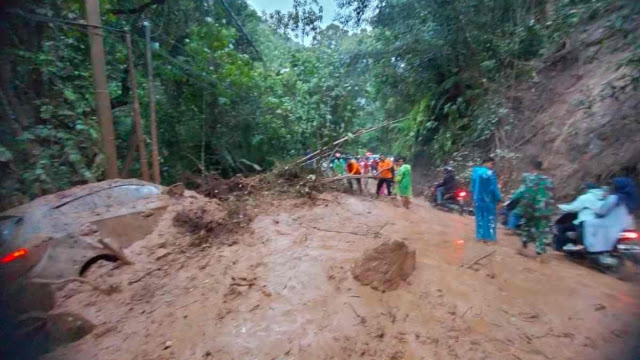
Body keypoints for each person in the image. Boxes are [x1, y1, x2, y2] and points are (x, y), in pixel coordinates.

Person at [582, 177, 638, 254]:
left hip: (611, 224)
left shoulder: (614, 198)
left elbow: (602, 212)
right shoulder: (632, 200)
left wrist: (596, 211)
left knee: (588, 223)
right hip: (627, 226)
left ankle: (590, 247)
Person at [511, 159, 554, 255]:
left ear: (532, 167)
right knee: (542, 231)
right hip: (545, 210)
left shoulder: (529, 178)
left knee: (526, 226)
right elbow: (550, 195)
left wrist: (512, 199)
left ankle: (523, 246)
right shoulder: (549, 181)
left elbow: (521, 192)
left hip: (531, 208)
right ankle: (540, 254)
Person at [555, 183, 606, 251]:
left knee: (561, 228)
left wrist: (559, 206)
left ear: (587, 189)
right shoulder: (603, 198)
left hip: (584, 221)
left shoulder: (585, 197)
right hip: (598, 223)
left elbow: (574, 208)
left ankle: (560, 247)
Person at [470, 157, 502, 243]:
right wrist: (499, 198)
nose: (493, 166)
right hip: (489, 200)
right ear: (486, 163)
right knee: (490, 218)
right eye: (492, 164)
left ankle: (480, 237)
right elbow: (494, 188)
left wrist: (472, 198)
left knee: (479, 218)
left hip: (478, 199)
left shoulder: (475, 172)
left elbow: (472, 187)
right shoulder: (490, 173)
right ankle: (490, 238)